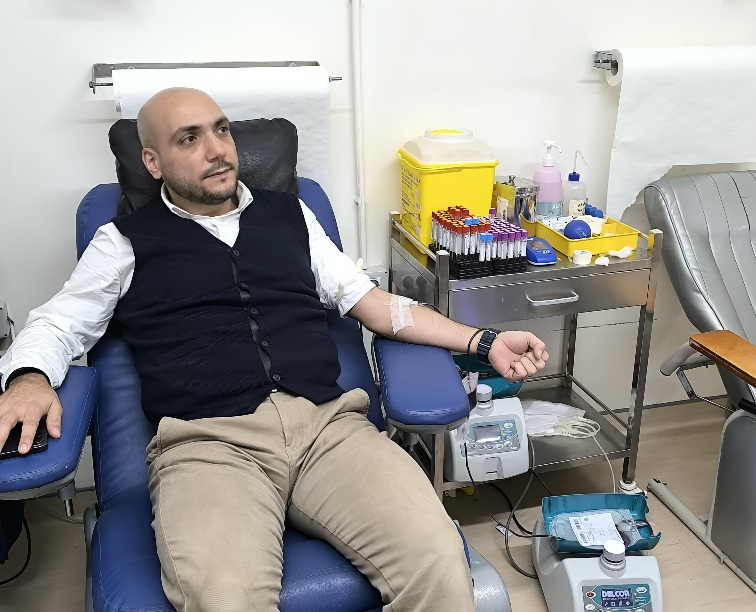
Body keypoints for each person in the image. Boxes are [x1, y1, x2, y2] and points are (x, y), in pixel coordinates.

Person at [0, 88, 548, 612]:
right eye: (189, 138)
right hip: (210, 445)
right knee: (225, 600)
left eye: (221, 131)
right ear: (152, 162)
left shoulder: (292, 216)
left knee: (439, 562)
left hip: (329, 429)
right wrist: (28, 379)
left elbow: (378, 306)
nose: (217, 150)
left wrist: (484, 340)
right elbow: (58, 323)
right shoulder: (122, 242)